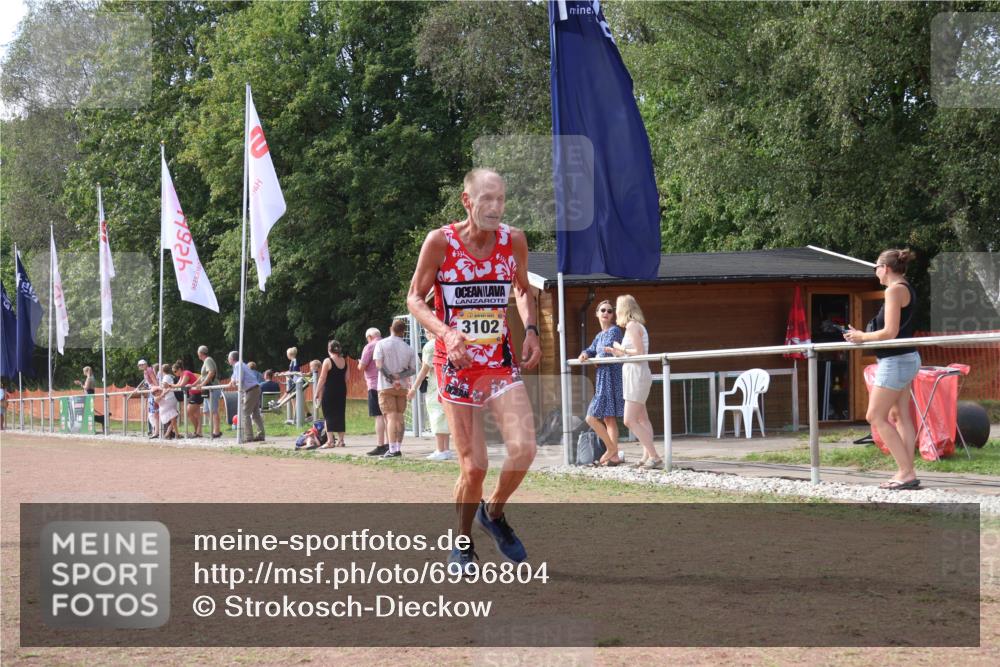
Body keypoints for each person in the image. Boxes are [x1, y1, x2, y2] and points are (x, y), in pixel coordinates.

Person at [407, 167, 541, 572]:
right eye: (487, 199)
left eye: (500, 199)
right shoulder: (440, 243)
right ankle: (461, 543)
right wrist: (446, 334)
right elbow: (414, 299)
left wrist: (531, 329)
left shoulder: (513, 241)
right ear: (467, 201)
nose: (495, 207)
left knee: (524, 449)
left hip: (498, 364)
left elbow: (522, 290)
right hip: (456, 367)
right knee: (475, 466)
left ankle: (494, 513)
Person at [844, 248, 921, 490]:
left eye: (876, 267)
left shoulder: (894, 290)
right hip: (907, 358)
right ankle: (907, 471)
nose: (875, 272)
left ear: (885, 268)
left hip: (895, 361)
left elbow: (890, 332)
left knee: (875, 416)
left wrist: (861, 336)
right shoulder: (905, 287)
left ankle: (905, 472)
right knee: (900, 416)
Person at [606, 294, 662, 469]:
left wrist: (621, 348)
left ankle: (654, 456)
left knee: (629, 420)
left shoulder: (632, 326)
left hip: (636, 375)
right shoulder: (636, 326)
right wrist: (619, 353)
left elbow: (639, 352)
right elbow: (634, 353)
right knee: (642, 419)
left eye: (616, 308)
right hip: (636, 373)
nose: (614, 312)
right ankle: (647, 456)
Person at [578, 299, 625, 466]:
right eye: (603, 310)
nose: (606, 313)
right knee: (608, 418)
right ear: (597, 313)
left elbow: (608, 353)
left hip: (610, 378)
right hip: (602, 378)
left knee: (591, 418)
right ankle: (613, 456)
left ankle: (612, 449)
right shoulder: (599, 336)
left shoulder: (614, 331)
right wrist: (584, 354)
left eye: (609, 311)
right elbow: (591, 349)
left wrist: (596, 359)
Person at [408, 330, 453, 461]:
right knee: (445, 416)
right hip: (449, 384)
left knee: (436, 415)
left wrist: (414, 387)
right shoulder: (448, 341)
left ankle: (440, 449)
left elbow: (424, 369)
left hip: (435, 385)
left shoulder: (430, 345)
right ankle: (446, 449)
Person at [374, 318, 416, 458]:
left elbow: (379, 365)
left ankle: (392, 449)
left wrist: (392, 379)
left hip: (386, 386)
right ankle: (398, 447)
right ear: (404, 331)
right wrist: (399, 377)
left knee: (390, 417)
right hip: (402, 386)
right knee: (400, 417)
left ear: (391, 327)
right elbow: (413, 369)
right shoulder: (408, 348)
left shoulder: (381, 344)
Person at [358, 327, 389, 456]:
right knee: (389, 415)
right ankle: (390, 444)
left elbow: (362, 367)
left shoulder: (369, 347)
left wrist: (360, 363)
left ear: (369, 337)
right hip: (388, 383)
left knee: (379, 415)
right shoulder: (387, 344)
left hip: (374, 384)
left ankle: (380, 445)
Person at [224, 351, 265, 442]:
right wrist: (232, 380)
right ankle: (260, 435)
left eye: (229, 359)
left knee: (245, 413)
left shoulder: (238, 365)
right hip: (255, 388)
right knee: (255, 414)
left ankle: (249, 436)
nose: (228, 360)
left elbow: (239, 379)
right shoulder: (239, 365)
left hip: (251, 390)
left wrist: (235, 382)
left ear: (231, 359)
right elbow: (234, 376)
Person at [315, 340, 348, 448]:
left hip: (330, 390)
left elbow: (322, 378)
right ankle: (341, 441)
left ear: (329, 349)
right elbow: (347, 378)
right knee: (340, 414)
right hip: (341, 390)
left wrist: (316, 392)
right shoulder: (344, 361)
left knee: (328, 414)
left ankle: (330, 441)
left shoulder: (327, 361)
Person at [193, 346, 223, 438]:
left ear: (200, 353)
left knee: (213, 410)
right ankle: (215, 428)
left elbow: (211, 372)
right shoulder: (205, 361)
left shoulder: (208, 360)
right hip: (207, 389)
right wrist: (193, 384)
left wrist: (202, 384)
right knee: (206, 411)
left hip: (212, 388)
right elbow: (202, 376)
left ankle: (216, 431)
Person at [169, 360, 202, 437]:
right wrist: (171, 385)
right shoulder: (182, 375)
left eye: (175, 371)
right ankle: (198, 432)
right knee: (196, 414)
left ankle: (198, 431)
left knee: (188, 413)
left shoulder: (186, 373)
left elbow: (181, 385)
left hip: (196, 394)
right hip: (193, 394)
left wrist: (170, 385)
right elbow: (178, 384)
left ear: (180, 369)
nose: (174, 373)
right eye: (173, 372)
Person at [154, 363, 180, 440]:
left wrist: (162, 390)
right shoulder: (170, 376)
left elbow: (165, 385)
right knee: (173, 417)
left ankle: (168, 433)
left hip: (169, 398)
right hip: (170, 398)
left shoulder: (166, 377)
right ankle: (175, 433)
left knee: (173, 416)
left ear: (162, 370)